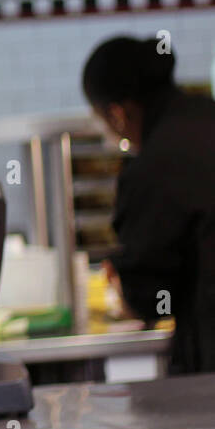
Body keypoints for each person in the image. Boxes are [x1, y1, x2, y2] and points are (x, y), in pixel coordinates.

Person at [81, 35, 215, 374]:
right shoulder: (205, 116)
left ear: (118, 113)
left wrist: (122, 287)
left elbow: (151, 297)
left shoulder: (153, 168)